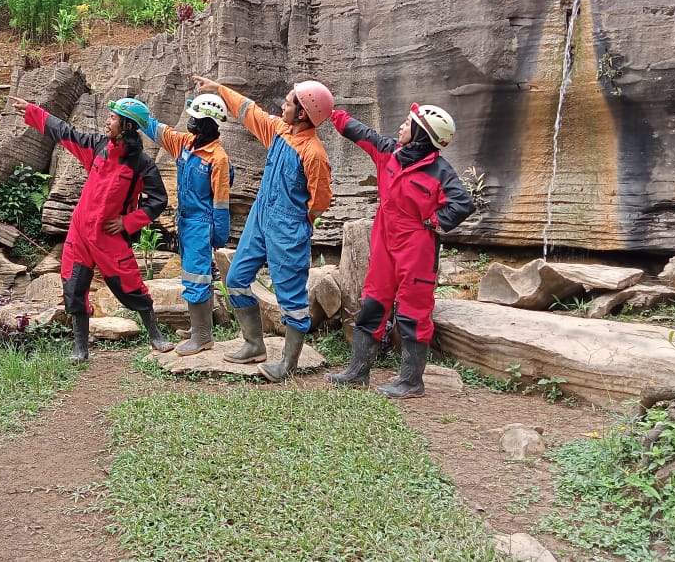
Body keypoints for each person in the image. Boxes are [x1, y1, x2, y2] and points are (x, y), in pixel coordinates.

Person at [324, 102, 475, 398]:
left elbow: (463, 204)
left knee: (412, 312)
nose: (402, 126)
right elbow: (362, 133)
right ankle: (357, 372)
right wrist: (333, 113)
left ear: (422, 132)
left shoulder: (440, 171)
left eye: (408, 123)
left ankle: (411, 381)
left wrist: (434, 221)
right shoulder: (389, 152)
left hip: (417, 247)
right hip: (384, 239)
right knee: (372, 304)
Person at [9, 95, 174, 363]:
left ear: (129, 126)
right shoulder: (98, 147)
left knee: (131, 283)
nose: (107, 121)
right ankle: (81, 348)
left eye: (113, 118)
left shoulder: (142, 164)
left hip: (110, 236)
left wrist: (127, 222)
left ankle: (155, 336)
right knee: (73, 286)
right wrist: (32, 110)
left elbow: (158, 200)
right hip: (80, 233)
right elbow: (64, 132)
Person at [193, 75, 333, 382]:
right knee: (237, 279)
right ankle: (254, 345)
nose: (283, 105)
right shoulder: (279, 130)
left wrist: (299, 222)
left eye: (289, 102)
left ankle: (288, 364)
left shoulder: (314, 153)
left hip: (288, 228)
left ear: (304, 112)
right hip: (260, 218)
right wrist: (218, 89)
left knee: (291, 299)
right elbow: (248, 110)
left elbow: (320, 200)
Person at [143, 93, 232, 356]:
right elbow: (160, 132)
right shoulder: (186, 144)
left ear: (208, 123)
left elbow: (221, 200)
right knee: (194, 274)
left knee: (197, 277)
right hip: (185, 220)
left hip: (201, 223)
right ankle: (198, 328)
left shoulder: (218, 158)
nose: (190, 121)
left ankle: (203, 335)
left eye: (195, 118)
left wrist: (218, 234)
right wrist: (139, 116)